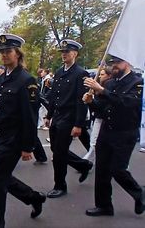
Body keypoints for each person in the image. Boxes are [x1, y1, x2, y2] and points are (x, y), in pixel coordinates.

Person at [0, 34, 46, 228]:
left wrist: (28, 146)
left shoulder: (27, 80)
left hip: (14, 139)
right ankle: (34, 197)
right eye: (2, 51)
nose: (4, 55)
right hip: (1, 136)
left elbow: (30, 116)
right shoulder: (3, 78)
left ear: (18, 54)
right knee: (3, 178)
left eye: (8, 51)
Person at [83, 55, 145, 216]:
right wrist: (91, 102)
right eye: (112, 63)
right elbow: (103, 109)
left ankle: (140, 194)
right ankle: (104, 206)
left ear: (127, 62)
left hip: (125, 132)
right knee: (102, 170)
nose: (114, 66)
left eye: (117, 63)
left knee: (118, 169)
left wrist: (102, 90)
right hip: (107, 130)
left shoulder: (137, 83)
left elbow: (127, 103)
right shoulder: (111, 83)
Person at [44, 39, 93, 199]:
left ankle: (60, 185)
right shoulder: (59, 72)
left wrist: (78, 124)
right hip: (57, 116)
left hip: (69, 117)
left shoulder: (80, 73)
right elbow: (53, 96)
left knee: (59, 154)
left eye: (67, 52)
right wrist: (49, 115)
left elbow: (82, 100)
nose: (64, 54)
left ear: (75, 54)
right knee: (56, 150)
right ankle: (83, 164)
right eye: (63, 52)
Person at [82, 66, 112, 163]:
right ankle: (91, 161)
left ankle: (87, 162)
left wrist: (93, 101)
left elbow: (104, 105)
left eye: (102, 74)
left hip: (106, 119)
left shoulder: (108, 88)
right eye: (99, 74)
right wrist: (90, 101)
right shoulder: (98, 86)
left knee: (95, 142)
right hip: (98, 117)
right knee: (94, 141)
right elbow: (96, 106)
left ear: (109, 76)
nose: (99, 76)